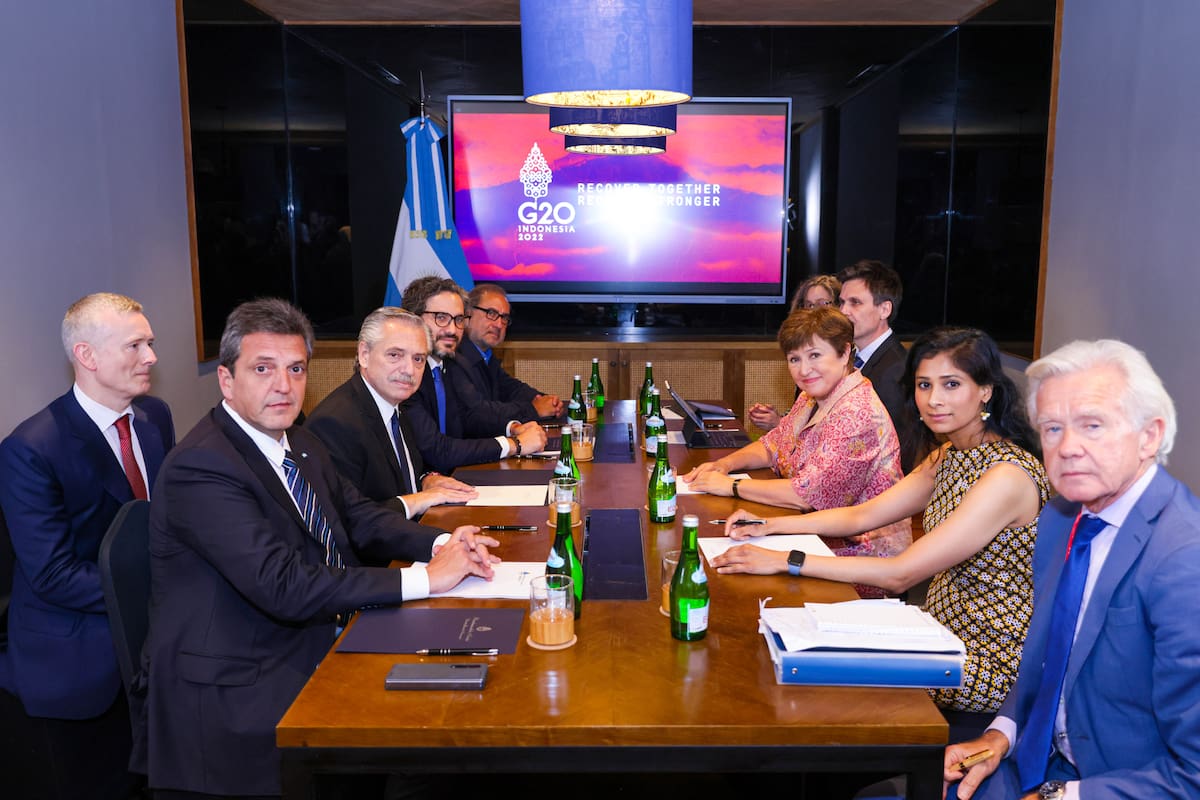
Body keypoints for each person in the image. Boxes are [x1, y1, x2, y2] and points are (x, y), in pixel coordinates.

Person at [133, 299, 499, 798]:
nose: (283, 385)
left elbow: (359, 515)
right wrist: (427, 578)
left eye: (296, 369)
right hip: (240, 689)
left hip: (312, 637)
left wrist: (443, 541)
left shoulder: (300, 442)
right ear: (226, 380)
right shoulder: (201, 467)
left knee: (464, 696)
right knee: (427, 734)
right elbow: (283, 584)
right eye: (263, 369)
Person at [712, 327, 1048, 733]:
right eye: (924, 385)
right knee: (785, 652)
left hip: (981, 661)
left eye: (951, 384)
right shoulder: (950, 454)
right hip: (934, 635)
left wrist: (785, 559)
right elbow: (861, 516)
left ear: (986, 391)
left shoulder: (1006, 476)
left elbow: (900, 573)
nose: (934, 399)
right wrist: (768, 526)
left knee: (810, 686)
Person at [943, 339, 1200, 800]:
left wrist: (1060, 796)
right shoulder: (1060, 517)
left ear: (1149, 436)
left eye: (1092, 425)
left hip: (1122, 785)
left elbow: (1194, 773)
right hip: (1037, 757)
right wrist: (1000, 734)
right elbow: (1051, 656)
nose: (1067, 448)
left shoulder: (1184, 558)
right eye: (1053, 428)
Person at [0, 292, 174, 800]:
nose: (151, 357)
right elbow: (53, 575)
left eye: (150, 343)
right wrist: (162, 591)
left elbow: (163, 523)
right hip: (77, 655)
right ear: (87, 355)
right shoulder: (31, 449)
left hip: (153, 644)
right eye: (135, 345)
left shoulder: (155, 417)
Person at [683, 306, 911, 596]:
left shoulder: (857, 411)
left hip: (860, 560)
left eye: (815, 355)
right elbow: (772, 444)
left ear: (844, 353)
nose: (804, 370)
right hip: (813, 534)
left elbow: (806, 494)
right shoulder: (812, 396)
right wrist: (724, 465)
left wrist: (731, 486)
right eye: (794, 359)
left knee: (726, 581)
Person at [305, 307, 478, 521]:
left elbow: (397, 478)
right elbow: (350, 519)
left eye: (418, 359)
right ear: (364, 354)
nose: (409, 370)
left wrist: (426, 480)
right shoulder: (334, 423)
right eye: (395, 355)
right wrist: (417, 500)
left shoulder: (397, 405)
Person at [399, 276, 546, 473]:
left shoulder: (447, 365)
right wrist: (515, 444)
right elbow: (437, 450)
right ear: (414, 319)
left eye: (458, 320)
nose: (452, 330)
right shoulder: (404, 375)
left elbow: (469, 417)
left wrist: (512, 428)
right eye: (441, 318)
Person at [837, 259, 920, 471]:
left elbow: (893, 453)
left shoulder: (896, 371)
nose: (843, 311)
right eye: (842, 302)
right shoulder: (851, 356)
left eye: (855, 303)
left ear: (884, 309)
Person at [452, 283, 562, 433]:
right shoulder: (454, 358)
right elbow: (480, 412)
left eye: (504, 318)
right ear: (467, 315)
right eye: (491, 313)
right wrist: (533, 409)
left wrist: (546, 401)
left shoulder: (487, 356)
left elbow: (512, 389)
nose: (499, 324)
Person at [749, 274, 842, 431]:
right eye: (809, 305)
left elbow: (822, 430)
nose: (815, 311)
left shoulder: (841, 357)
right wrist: (781, 418)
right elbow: (804, 413)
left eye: (823, 304)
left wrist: (778, 424)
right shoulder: (802, 353)